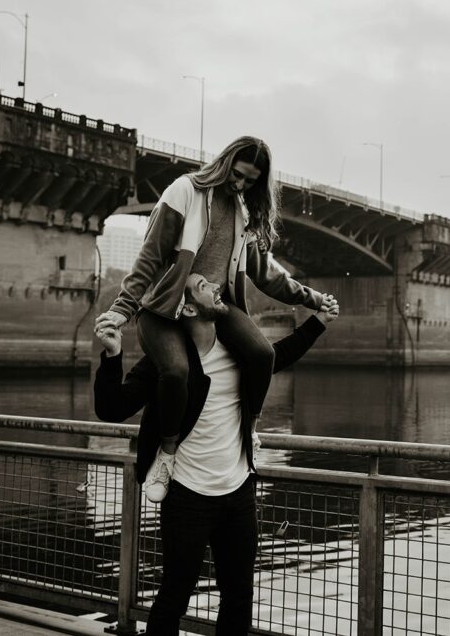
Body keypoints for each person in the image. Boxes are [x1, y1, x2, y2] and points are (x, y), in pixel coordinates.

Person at [94, 272, 338, 635]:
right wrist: (112, 356)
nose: (216, 287)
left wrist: (317, 323)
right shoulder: (167, 365)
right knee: (174, 596)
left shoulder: (241, 351)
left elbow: (277, 355)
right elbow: (111, 409)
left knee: (238, 596)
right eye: (202, 286)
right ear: (187, 308)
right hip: (187, 495)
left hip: (238, 491)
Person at [94, 136, 335, 502]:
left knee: (262, 356)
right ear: (224, 163)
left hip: (215, 306)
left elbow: (268, 274)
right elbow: (149, 259)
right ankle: (168, 453)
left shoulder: (243, 213)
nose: (240, 185)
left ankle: (249, 429)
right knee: (176, 372)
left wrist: (313, 298)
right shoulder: (183, 193)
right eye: (237, 175)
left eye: (250, 181)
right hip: (164, 309)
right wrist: (122, 310)